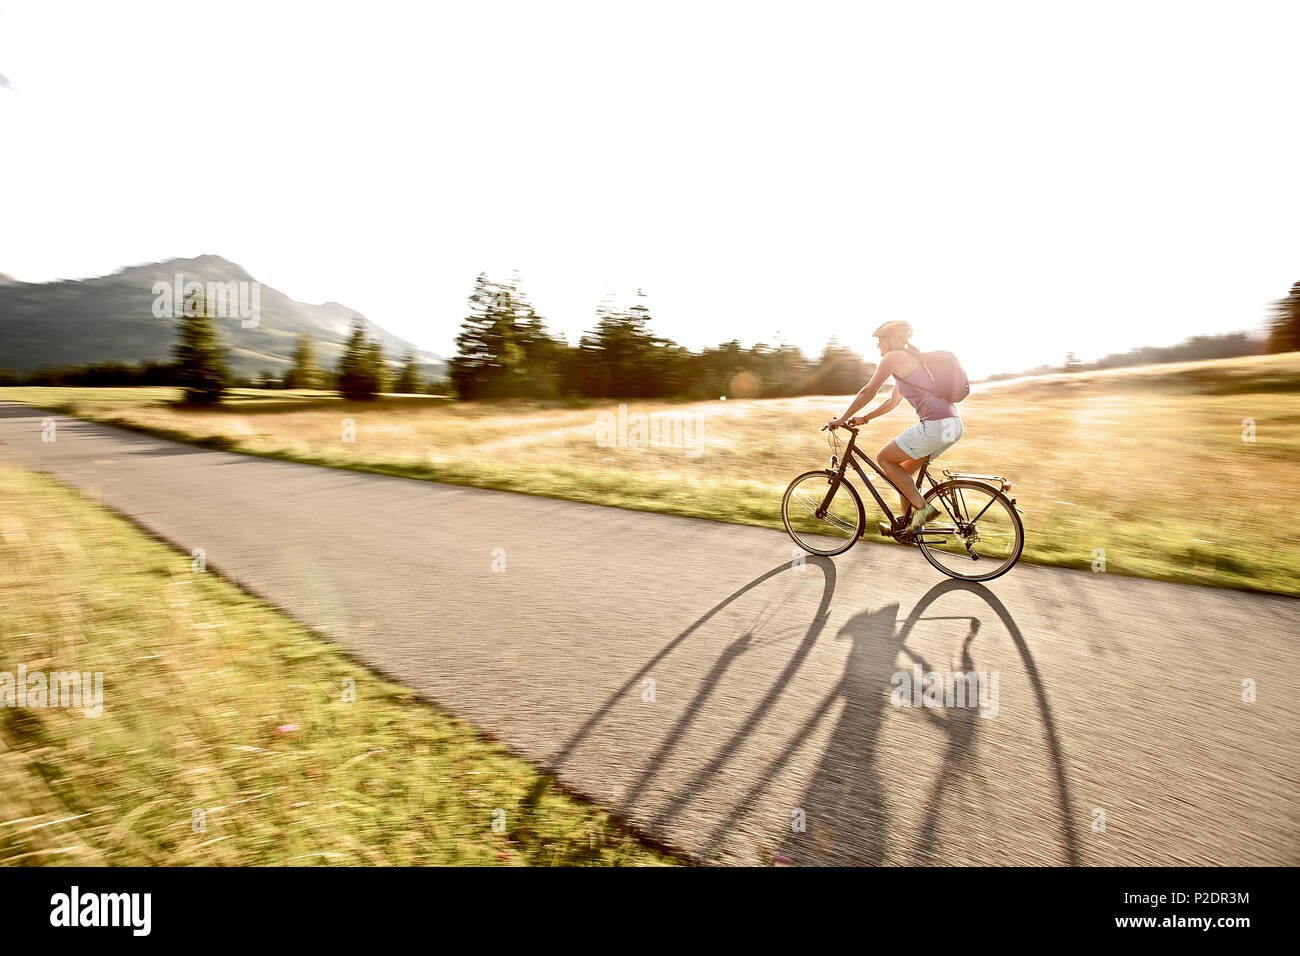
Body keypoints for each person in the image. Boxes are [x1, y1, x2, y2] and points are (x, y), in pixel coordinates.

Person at [826, 321, 963, 532]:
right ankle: (909, 528)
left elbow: (867, 392)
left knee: (884, 458)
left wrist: (842, 418)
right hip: (952, 426)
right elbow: (892, 401)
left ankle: (922, 509)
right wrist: (866, 417)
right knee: (903, 476)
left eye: (880, 340)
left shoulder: (893, 358)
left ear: (891, 340)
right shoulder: (911, 361)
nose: (878, 346)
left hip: (935, 426)